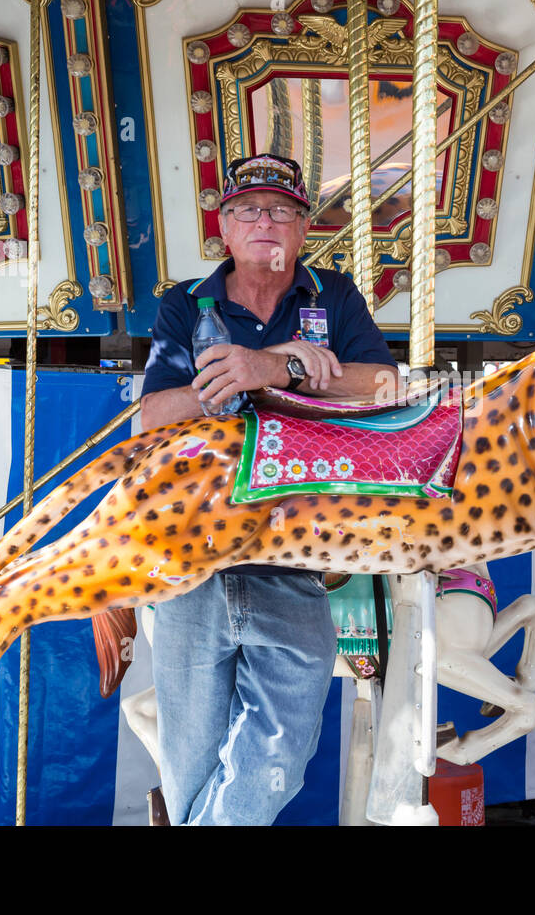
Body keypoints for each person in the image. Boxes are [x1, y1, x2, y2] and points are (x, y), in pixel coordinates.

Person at [140, 153, 398, 825]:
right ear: (223, 228)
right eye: (249, 210)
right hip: (193, 553)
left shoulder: (332, 296)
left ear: (303, 228)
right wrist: (263, 374)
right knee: (190, 761)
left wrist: (274, 365)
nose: (265, 221)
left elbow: (386, 386)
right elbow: (148, 417)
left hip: (291, 550)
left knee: (282, 746)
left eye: (281, 210)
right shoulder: (185, 306)